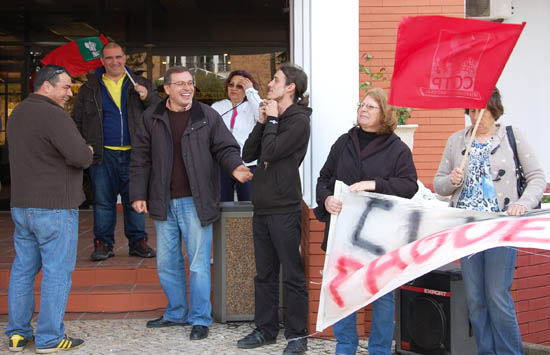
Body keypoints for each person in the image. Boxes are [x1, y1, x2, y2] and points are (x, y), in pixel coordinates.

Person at [129, 66, 253, 341]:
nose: (187, 88)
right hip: (163, 201)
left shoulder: (206, 116)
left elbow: (226, 147)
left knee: (197, 264)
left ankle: (199, 318)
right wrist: (138, 194)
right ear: (167, 89)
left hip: (195, 202)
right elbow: (140, 158)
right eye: (181, 84)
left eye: (190, 83)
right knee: (167, 262)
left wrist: (235, 167)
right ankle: (175, 313)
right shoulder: (152, 117)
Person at [434, 87, 545, 355]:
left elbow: (537, 179)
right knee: (475, 299)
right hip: (467, 229)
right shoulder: (456, 141)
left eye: (480, 110)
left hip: (500, 229)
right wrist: (451, 181)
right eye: (471, 110)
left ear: (494, 109)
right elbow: (439, 185)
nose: (474, 116)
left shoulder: (511, 136)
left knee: (497, 295)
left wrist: (522, 204)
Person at [314, 88, 418, 355]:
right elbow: (324, 178)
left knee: (382, 297)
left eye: (371, 106)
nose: (364, 109)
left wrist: (374, 184)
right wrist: (326, 199)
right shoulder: (343, 142)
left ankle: (380, 350)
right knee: (344, 292)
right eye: (363, 104)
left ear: (384, 114)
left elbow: (409, 186)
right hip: (344, 235)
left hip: (381, 236)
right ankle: (345, 346)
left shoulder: (397, 149)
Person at [5, 65, 93, 353]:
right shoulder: (54, 115)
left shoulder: (17, 113)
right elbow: (79, 156)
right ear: (46, 87)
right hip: (54, 206)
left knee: (22, 270)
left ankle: (17, 334)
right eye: (65, 87)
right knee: (57, 272)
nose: (70, 93)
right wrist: (89, 152)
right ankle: (49, 338)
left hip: (22, 205)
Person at [237, 64, 311, 355]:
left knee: (292, 273)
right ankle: (265, 329)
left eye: (276, 80)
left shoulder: (299, 121)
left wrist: (274, 121)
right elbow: (249, 153)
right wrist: (262, 121)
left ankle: (296, 335)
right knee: (264, 273)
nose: (269, 84)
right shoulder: (273, 118)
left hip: (285, 208)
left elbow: (270, 152)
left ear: (291, 87)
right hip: (263, 207)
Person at [72, 42, 161, 261]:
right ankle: (103, 243)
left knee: (136, 199)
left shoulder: (141, 83)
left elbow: (159, 111)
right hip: (103, 155)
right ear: (102, 61)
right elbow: (77, 121)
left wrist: (146, 96)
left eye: (118, 57)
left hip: (135, 154)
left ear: (124, 59)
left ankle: (138, 242)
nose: (114, 62)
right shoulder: (90, 88)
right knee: (103, 202)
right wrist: (84, 146)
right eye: (109, 58)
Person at [211, 70, 262, 201]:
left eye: (240, 86)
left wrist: (250, 92)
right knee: (222, 204)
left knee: (248, 204)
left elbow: (263, 114)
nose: (233, 88)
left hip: (248, 164)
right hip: (223, 164)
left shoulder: (252, 106)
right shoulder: (217, 107)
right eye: (231, 84)